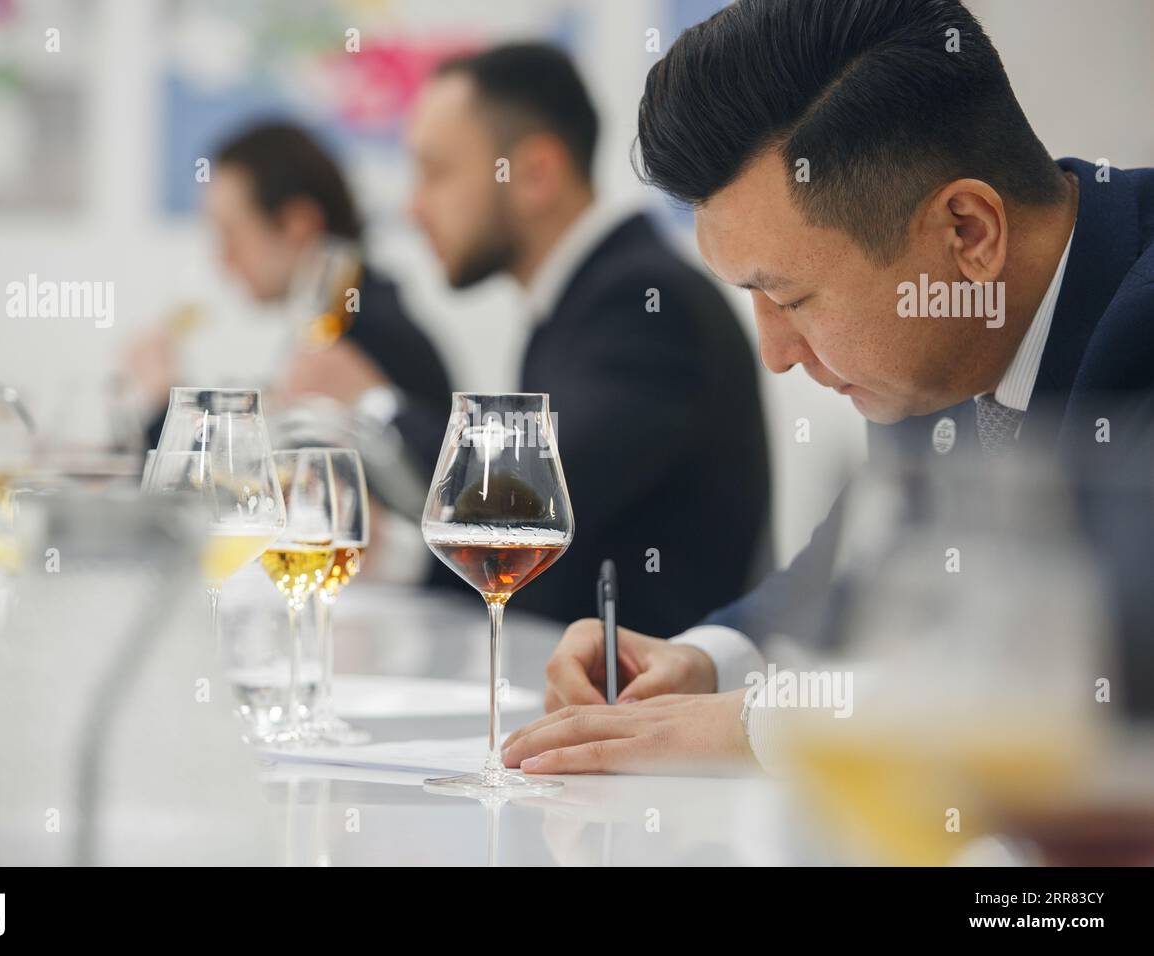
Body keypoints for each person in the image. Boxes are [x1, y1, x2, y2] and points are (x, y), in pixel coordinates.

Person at [503, 0, 1154, 775]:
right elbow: (856, 565)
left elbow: (1101, 676)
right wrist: (709, 661)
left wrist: (764, 724)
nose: (776, 355)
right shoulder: (948, 326)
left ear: (968, 233)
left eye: (792, 299)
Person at [395, 43, 771, 635]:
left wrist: (372, 405)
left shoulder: (646, 303)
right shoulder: (589, 297)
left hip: (640, 702)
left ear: (538, 173)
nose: (412, 207)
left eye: (436, 172)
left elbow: (527, 506)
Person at [127, 121, 453, 464]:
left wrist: (162, 397)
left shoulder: (365, 328)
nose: (223, 259)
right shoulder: (341, 310)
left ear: (298, 224)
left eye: (230, 233)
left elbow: (247, 480)